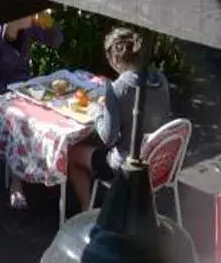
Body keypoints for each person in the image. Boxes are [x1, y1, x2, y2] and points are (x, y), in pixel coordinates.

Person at [69, 26, 172, 213]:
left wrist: (98, 111)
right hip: (159, 160)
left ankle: (86, 210)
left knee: (74, 153)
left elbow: (108, 137)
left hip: (129, 167)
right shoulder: (160, 78)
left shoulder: (116, 89)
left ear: (114, 59)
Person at [0, 11, 63, 123]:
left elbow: (56, 41)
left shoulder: (28, 28)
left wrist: (46, 19)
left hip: (22, 95)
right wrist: (17, 96)